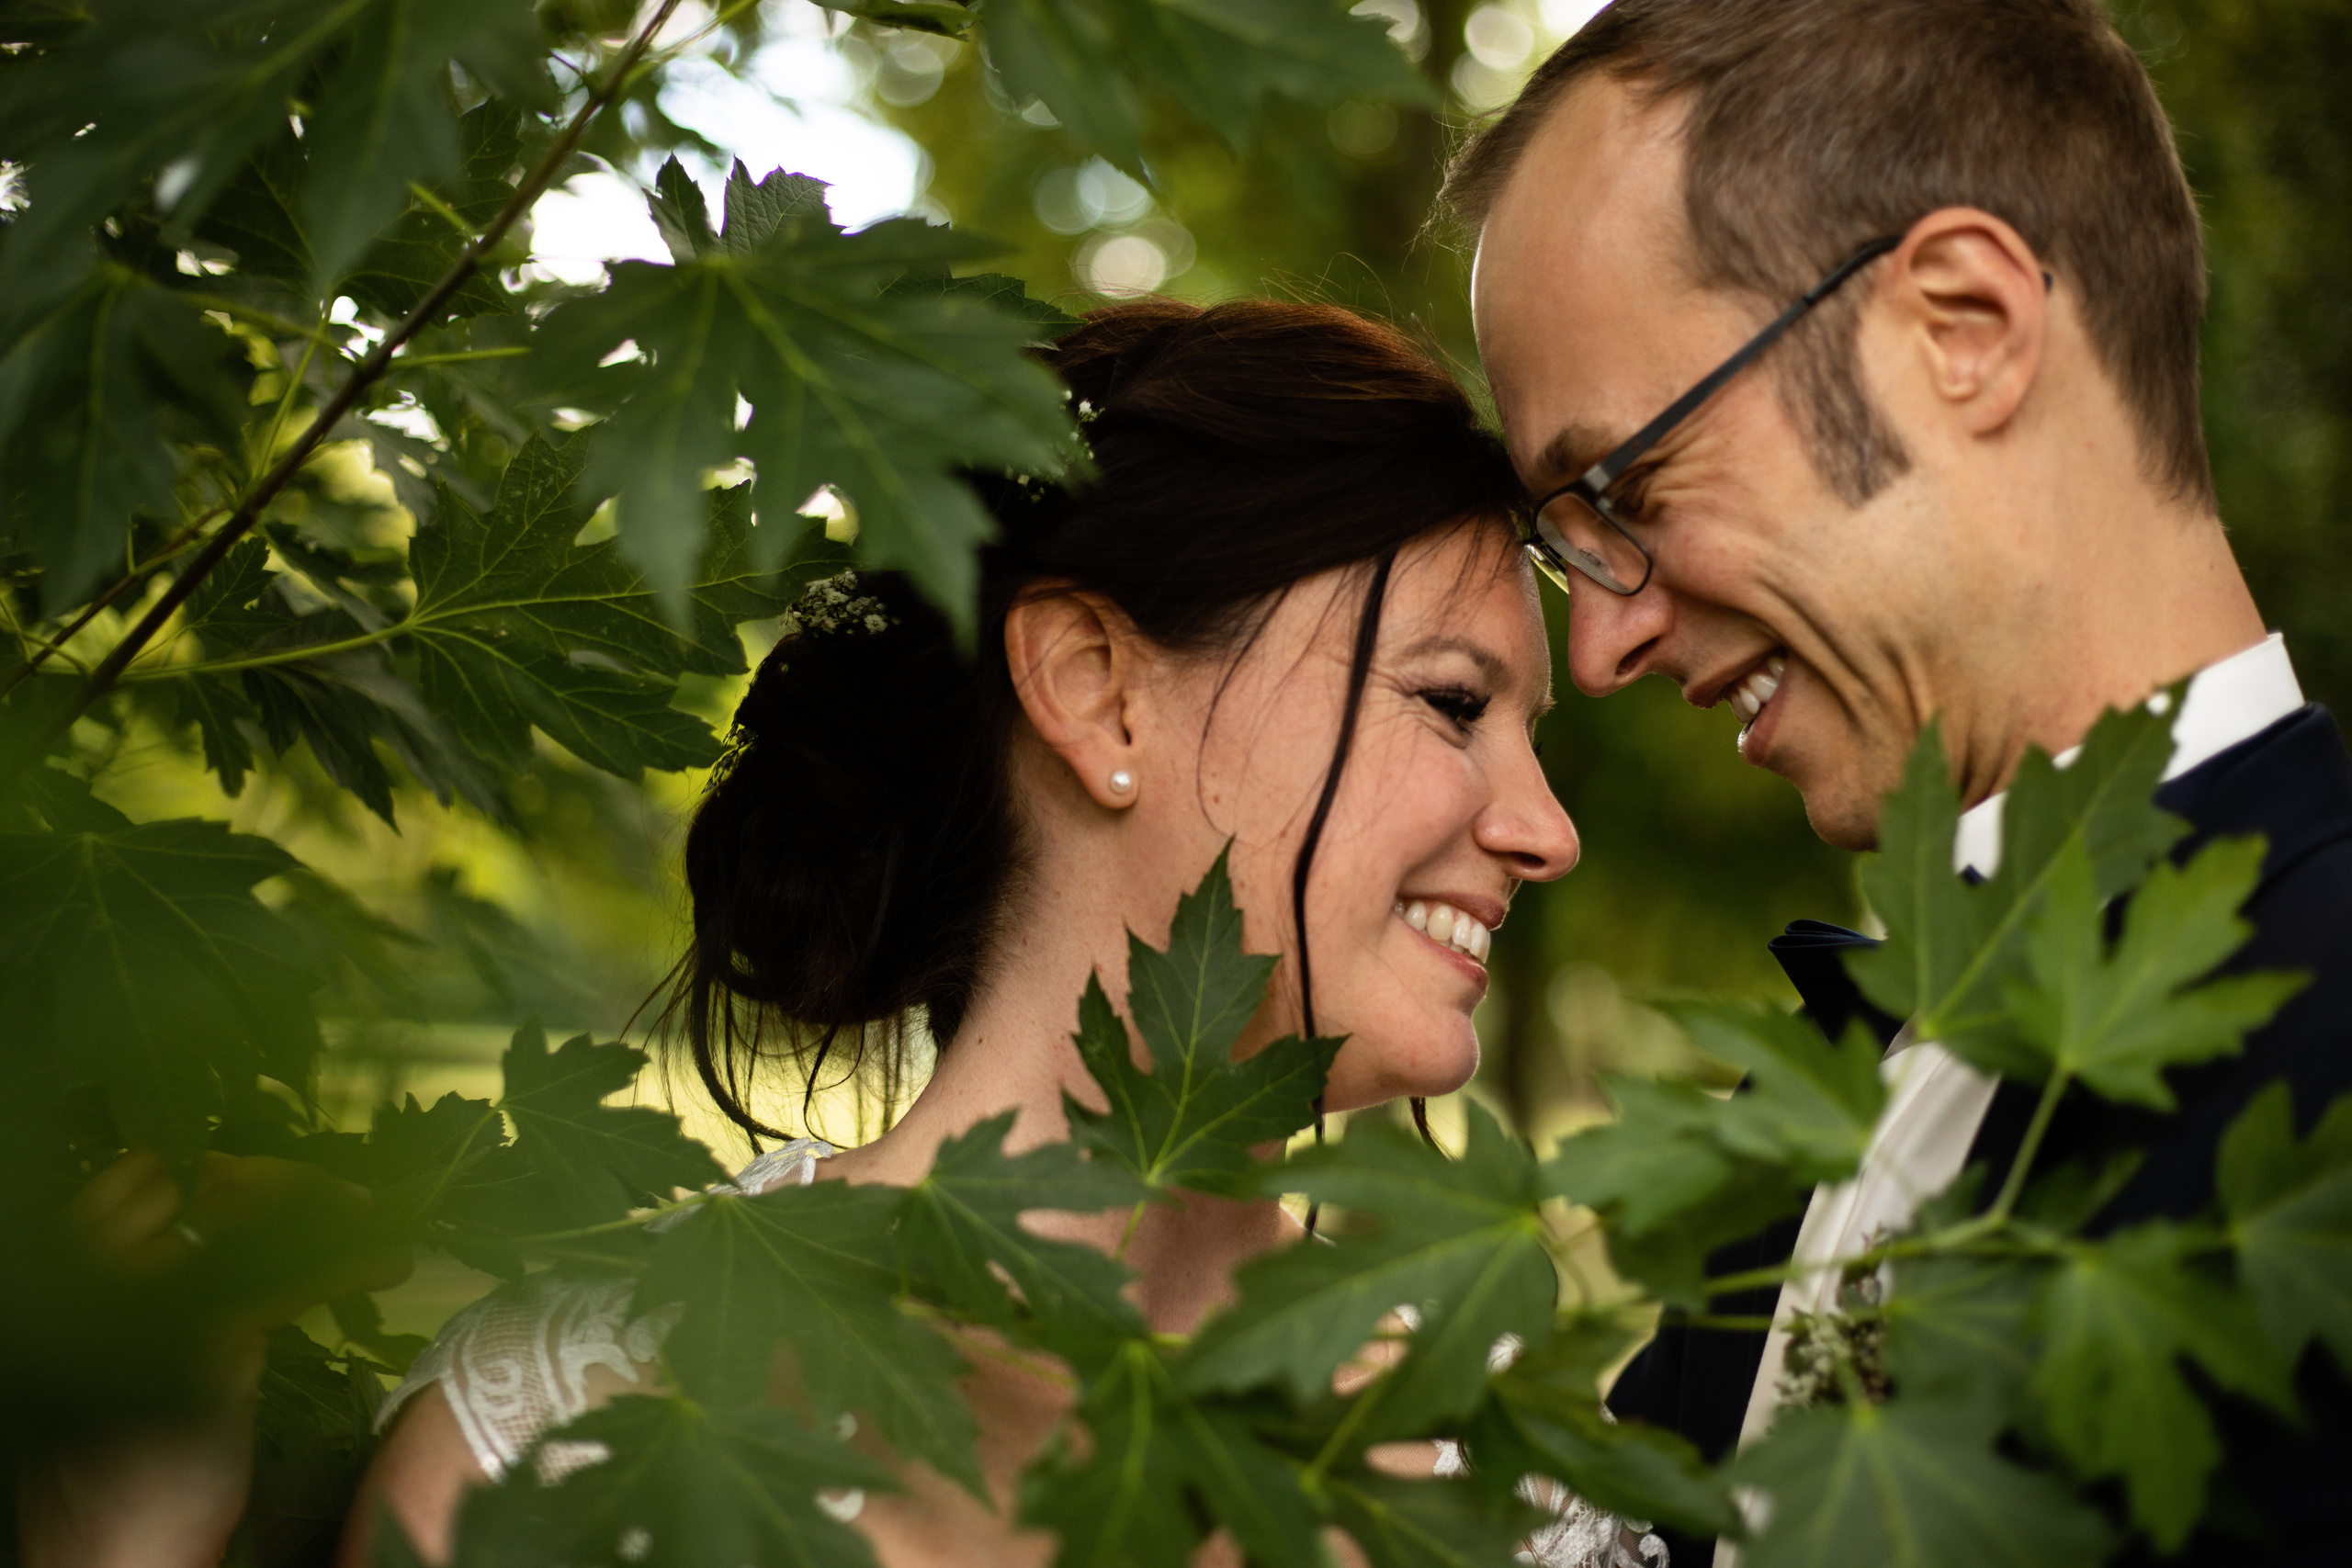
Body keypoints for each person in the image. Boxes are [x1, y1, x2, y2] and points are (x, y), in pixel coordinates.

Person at [340, 298, 1598, 1567]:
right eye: (1451, 702)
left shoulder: (1510, 1471)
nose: (1548, 832)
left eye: (1530, 740)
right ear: (1096, 691)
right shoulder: (571, 1439)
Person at [1446, 0, 2352, 1562]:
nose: (1599, 649)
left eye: (1629, 488)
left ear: (1966, 330)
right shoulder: (1821, 1097)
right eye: (1567, 548)